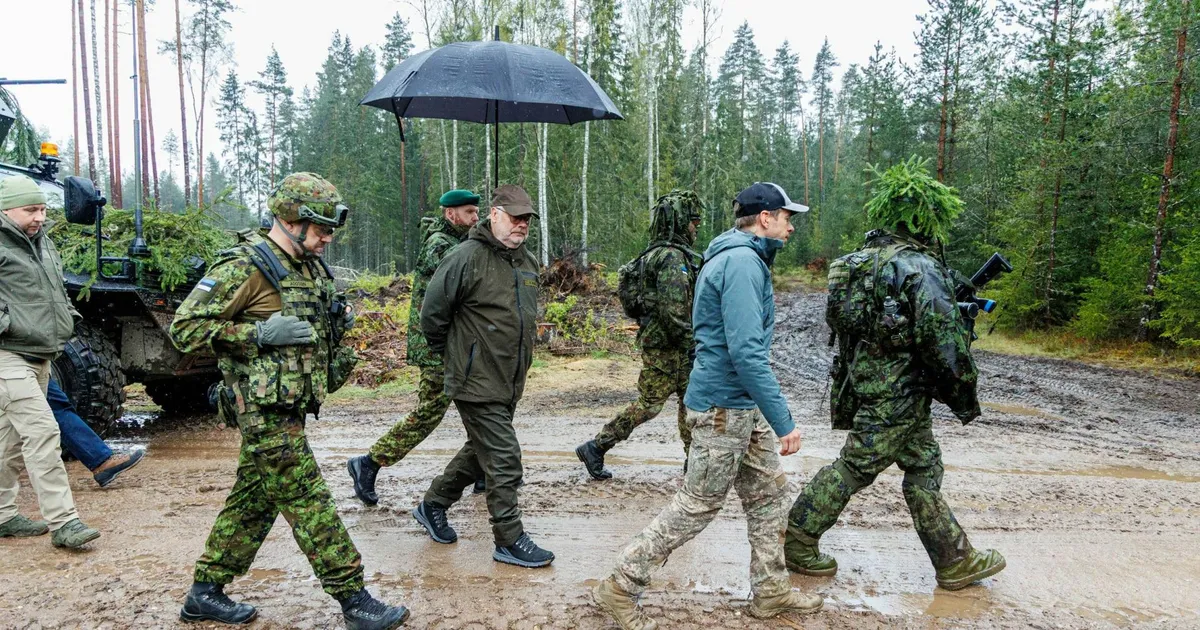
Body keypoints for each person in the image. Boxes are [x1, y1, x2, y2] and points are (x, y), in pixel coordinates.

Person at [169, 172, 409, 629]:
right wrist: (256, 333)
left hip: (290, 405)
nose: (327, 240)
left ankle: (205, 592)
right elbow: (185, 329)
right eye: (320, 230)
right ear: (291, 219)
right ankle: (355, 600)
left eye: (330, 231)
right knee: (308, 499)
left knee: (254, 500)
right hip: (262, 411)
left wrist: (337, 319)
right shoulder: (246, 265)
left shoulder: (307, 266)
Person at [593, 182, 822, 629]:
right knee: (698, 504)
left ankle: (771, 591)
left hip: (738, 403)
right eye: (786, 216)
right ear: (764, 218)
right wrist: (783, 421)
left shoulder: (741, 256)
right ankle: (620, 585)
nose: (791, 225)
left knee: (769, 496)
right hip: (723, 407)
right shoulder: (740, 263)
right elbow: (746, 352)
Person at [784, 158, 1006, 592]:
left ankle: (954, 559)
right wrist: (965, 394)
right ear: (924, 219)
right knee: (856, 466)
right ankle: (798, 539)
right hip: (900, 392)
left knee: (924, 465)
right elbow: (943, 341)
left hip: (869, 382)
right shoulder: (917, 267)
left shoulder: (856, 262)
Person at [412, 184, 553, 568]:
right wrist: (460, 358)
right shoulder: (465, 257)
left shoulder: (526, 261)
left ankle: (433, 503)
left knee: (481, 450)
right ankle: (508, 538)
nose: (521, 225)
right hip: (475, 379)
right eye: (514, 218)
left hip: (509, 378)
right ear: (494, 215)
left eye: (526, 219)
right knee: (505, 458)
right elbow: (432, 317)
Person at [348, 189, 484, 505]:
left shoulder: (456, 242)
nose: (476, 218)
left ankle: (481, 469)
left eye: (477, 212)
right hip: (437, 345)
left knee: (478, 406)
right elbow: (465, 282)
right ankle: (369, 463)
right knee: (430, 412)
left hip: (456, 343)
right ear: (451, 214)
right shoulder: (441, 246)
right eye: (469, 212)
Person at [0, 174, 101, 549]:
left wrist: (68, 319)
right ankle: (64, 522)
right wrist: (7, 323)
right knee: (43, 433)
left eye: (42, 209)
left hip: (41, 353)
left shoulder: (42, 243)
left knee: (8, 442)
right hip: (7, 355)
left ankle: (3, 515)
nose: (39, 216)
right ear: (5, 209)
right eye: (30, 209)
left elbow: (55, 291)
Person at [576, 190, 702, 480]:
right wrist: (692, 344)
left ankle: (693, 460)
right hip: (668, 347)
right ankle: (596, 446)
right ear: (681, 223)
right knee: (651, 405)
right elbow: (674, 311)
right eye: (693, 222)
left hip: (665, 344)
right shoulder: (671, 258)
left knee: (691, 400)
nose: (696, 228)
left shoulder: (655, 254)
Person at [47, 378, 145, 487]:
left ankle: (100, 460)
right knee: (56, 408)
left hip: (36, 366)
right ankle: (99, 460)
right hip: (26, 368)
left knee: (57, 405)